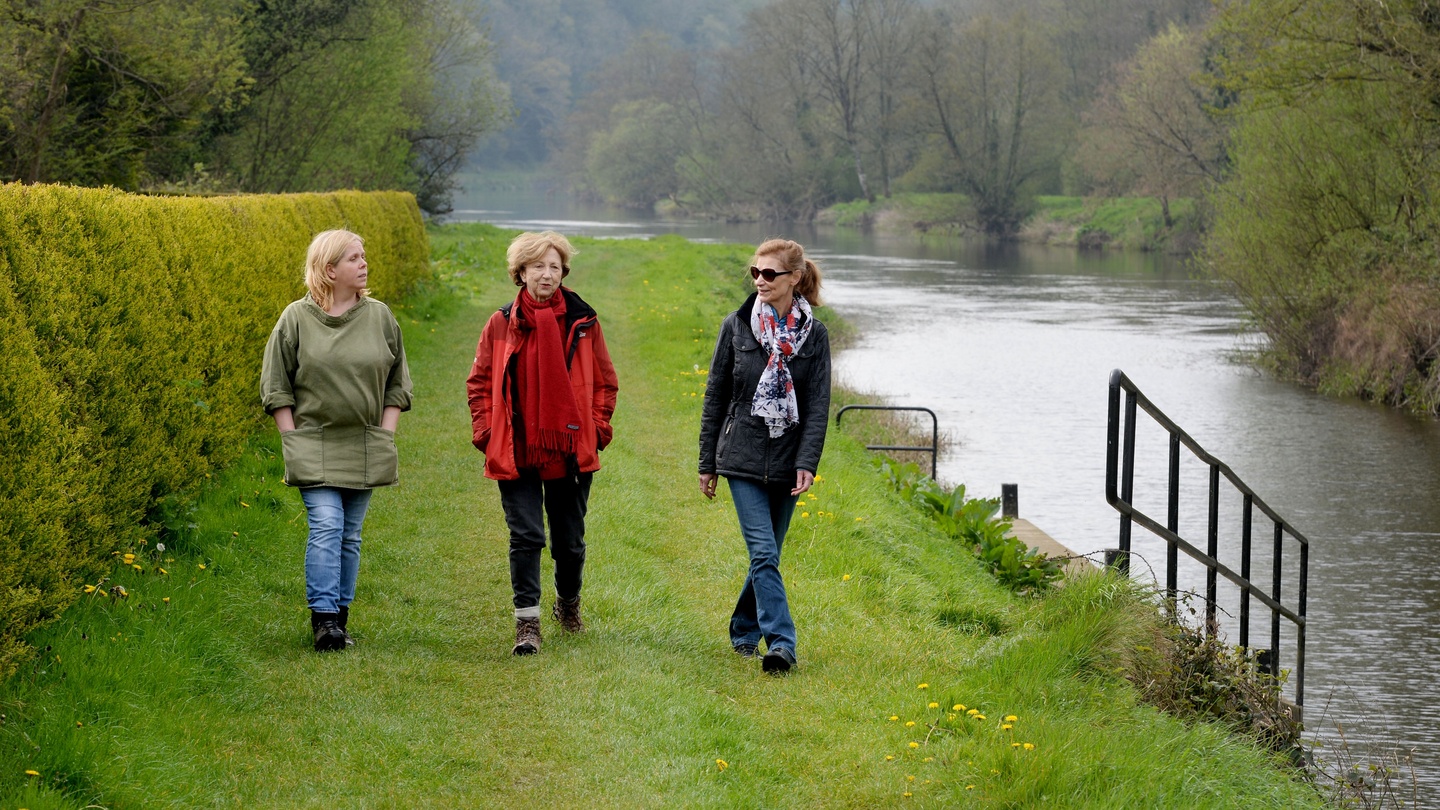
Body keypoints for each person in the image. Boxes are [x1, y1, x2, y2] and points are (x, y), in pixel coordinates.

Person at [467, 231, 618, 656]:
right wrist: (486, 433)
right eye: (538, 267)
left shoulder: (583, 323)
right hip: (517, 449)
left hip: (569, 453)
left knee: (569, 541)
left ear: (563, 272)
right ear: (521, 273)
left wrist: (596, 429)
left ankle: (568, 605)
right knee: (526, 537)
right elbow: (478, 383)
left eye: (554, 266)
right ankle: (527, 623)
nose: (546, 274)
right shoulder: (500, 323)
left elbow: (605, 382)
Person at [260, 229, 412, 652]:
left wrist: (385, 434)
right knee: (327, 524)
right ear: (329, 269)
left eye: (364, 256)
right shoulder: (295, 318)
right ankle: (324, 620)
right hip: (313, 443)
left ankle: (339, 619)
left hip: (365, 443)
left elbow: (398, 384)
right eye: (354, 258)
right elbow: (275, 386)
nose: (364, 264)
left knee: (350, 535)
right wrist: (293, 441)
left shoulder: (380, 317)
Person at [698, 238, 831, 674]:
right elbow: (715, 397)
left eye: (769, 274)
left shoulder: (816, 336)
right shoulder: (735, 327)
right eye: (755, 272)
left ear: (794, 278)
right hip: (742, 455)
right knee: (763, 553)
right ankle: (782, 642)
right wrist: (707, 462)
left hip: (789, 457)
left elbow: (817, 407)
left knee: (768, 553)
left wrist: (807, 463)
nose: (760, 280)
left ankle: (742, 628)